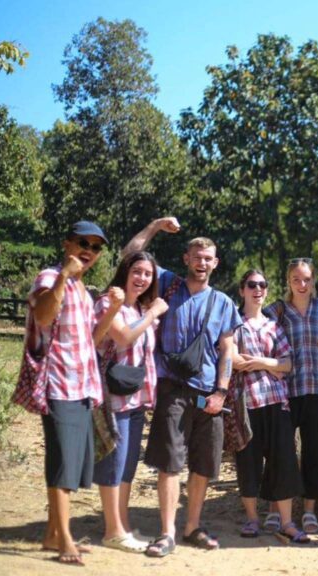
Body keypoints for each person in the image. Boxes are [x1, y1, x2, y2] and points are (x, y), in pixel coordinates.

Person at [123, 217, 240, 557]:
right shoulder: (167, 285)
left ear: (215, 263)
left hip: (209, 394)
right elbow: (131, 256)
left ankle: (192, 527)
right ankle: (166, 533)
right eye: (197, 257)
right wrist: (156, 226)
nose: (202, 263)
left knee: (203, 465)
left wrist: (221, 391)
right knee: (170, 463)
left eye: (209, 258)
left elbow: (227, 350)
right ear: (186, 259)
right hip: (172, 388)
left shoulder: (224, 303)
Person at [28, 221, 112, 566]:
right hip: (58, 385)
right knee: (62, 464)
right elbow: (44, 316)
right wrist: (63, 276)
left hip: (83, 386)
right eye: (83, 243)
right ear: (67, 244)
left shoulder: (84, 290)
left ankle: (52, 534)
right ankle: (65, 541)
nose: (88, 251)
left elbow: (91, 340)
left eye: (95, 247)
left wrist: (116, 310)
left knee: (73, 465)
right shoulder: (50, 278)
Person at [92, 251, 169, 553]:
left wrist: (148, 312)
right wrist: (154, 314)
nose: (142, 278)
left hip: (137, 397)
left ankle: (120, 525)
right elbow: (123, 338)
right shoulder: (108, 305)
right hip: (113, 396)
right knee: (113, 463)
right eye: (137, 271)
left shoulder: (138, 307)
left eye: (148, 274)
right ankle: (112, 531)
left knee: (126, 467)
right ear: (125, 271)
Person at [231, 270, 309, 544]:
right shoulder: (233, 324)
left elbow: (287, 365)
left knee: (283, 463)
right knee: (248, 463)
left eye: (263, 285)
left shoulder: (275, 326)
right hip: (246, 403)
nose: (258, 290)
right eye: (252, 285)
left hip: (277, 403)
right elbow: (233, 361)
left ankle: (286, 523)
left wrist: (261, 362)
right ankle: (252, 519)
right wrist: (271, 364)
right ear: (242, 290)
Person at [264, 257, 318, 534]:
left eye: (306, 279)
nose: (302, 284)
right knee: (279, 451)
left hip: (317, 388)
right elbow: (254, 328)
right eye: (296, 279)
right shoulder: (277, 311)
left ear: (313, 280)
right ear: (288, 282)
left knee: (315, 451)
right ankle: (275, 507)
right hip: (284, 390)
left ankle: (309, 510)